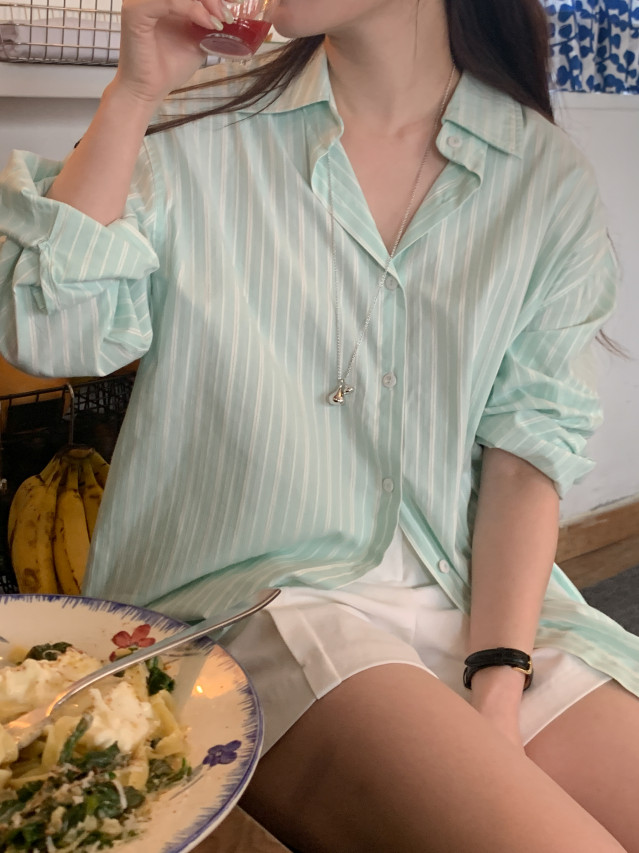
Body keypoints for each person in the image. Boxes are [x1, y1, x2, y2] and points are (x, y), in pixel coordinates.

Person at [1, 0, 639, 850]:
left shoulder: (541, 176)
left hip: (476, 596)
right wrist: (134, 92)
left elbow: (527, 454)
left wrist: (496, 681)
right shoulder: (197, 121)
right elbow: (54, 335)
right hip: (260, 599)